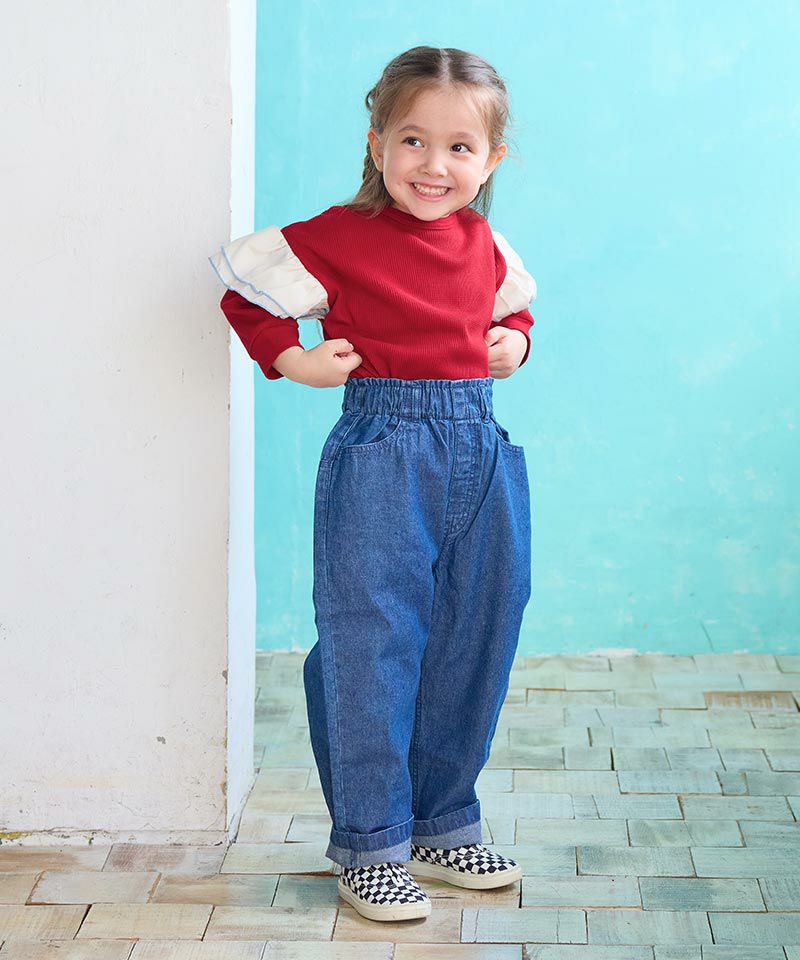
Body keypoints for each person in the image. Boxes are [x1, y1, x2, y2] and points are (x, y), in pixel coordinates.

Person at [209, 45, 536, 923]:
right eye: (413, 140)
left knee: (477, 629)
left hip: (481, 451)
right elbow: (244, 292)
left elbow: (513, 308)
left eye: (460, 147)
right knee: (371, 641)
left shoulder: (482, 242)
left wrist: (518, 342)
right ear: (377, 143)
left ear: (491, 159)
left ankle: (440, 819)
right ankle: (372, 843)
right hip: (384, 450)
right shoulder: (339, 237)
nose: (434, 165)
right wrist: (294, 360)